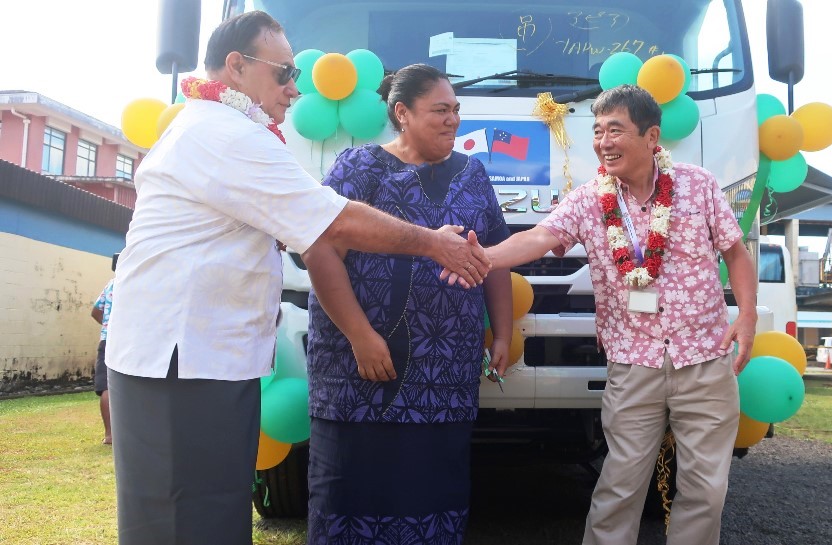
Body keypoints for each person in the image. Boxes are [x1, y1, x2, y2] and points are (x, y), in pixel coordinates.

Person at [104, 12, 490, 545]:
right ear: (236, 67)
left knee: (211, 511)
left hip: (203, 357)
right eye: (284, 73)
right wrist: (433, 243)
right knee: (183, 518)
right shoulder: (224, 134)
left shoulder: (226, 129)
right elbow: (332, 220)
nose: (294, 88)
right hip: (181, 359)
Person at [467, 85, 757, 545]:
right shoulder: (588, 198)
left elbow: (736, 253)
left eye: (615, 130)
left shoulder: (698, 184)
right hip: (632, 361)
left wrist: (747, 315)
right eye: (598, 131)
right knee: (619, 487)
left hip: (704, 356)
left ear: (652, 136)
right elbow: (540, 238)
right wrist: (484, 257)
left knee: (705, 489)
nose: (603, 141)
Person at [303, 64, 513, 545]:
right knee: (351, 494)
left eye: (456, 110)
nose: (453, 120)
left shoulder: (474, 175)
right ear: (402, 113)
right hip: (359, 370)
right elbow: (319, 251)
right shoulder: (356, 168)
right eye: (440, 110)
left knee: (430, 495)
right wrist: (361, 336)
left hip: (444, 375)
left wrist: (501, 333)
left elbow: (495, 259)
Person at [90, 274, 114, 445]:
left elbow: (95, 311)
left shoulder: (112, 284)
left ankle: (110, 435)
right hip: (132, 340)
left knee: (106, 387)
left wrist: (108, 325)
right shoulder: (142, 279)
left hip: (108, 340)